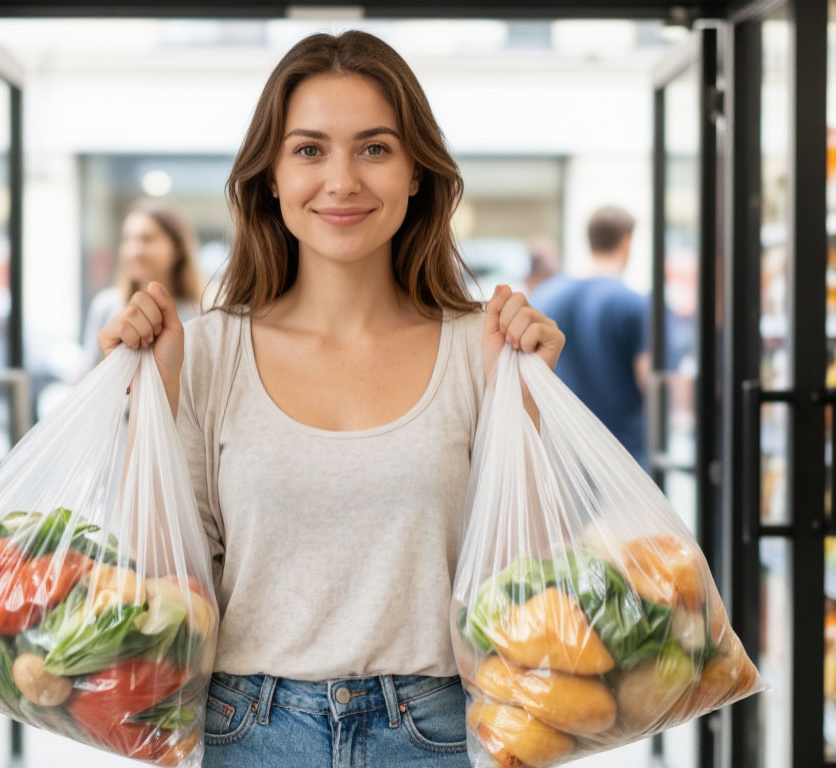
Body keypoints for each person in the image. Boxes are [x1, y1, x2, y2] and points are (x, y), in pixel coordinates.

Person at [98, 31, 563, 768]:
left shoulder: (482, 346)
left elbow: (530, 584)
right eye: (309, 150)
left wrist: (530, 401)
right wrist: (142, 401)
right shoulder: (208, 352)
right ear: (271, 178)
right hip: (245, 731)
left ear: (417, 173)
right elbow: (158, 582)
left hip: (439, 733)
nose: (341, 180)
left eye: (374, 148)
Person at [530, 206, 651, 468]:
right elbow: (648, 379)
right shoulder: (634, 304)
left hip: (562, 459)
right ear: (627, 242)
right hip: (623, 461)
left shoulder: (544, 297)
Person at [80, 199, 204, 370]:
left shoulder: (198, 313)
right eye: (128, 239)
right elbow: (87, 376)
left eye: (147, 239)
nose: (134, 250)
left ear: (177, 249)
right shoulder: (106, 306)